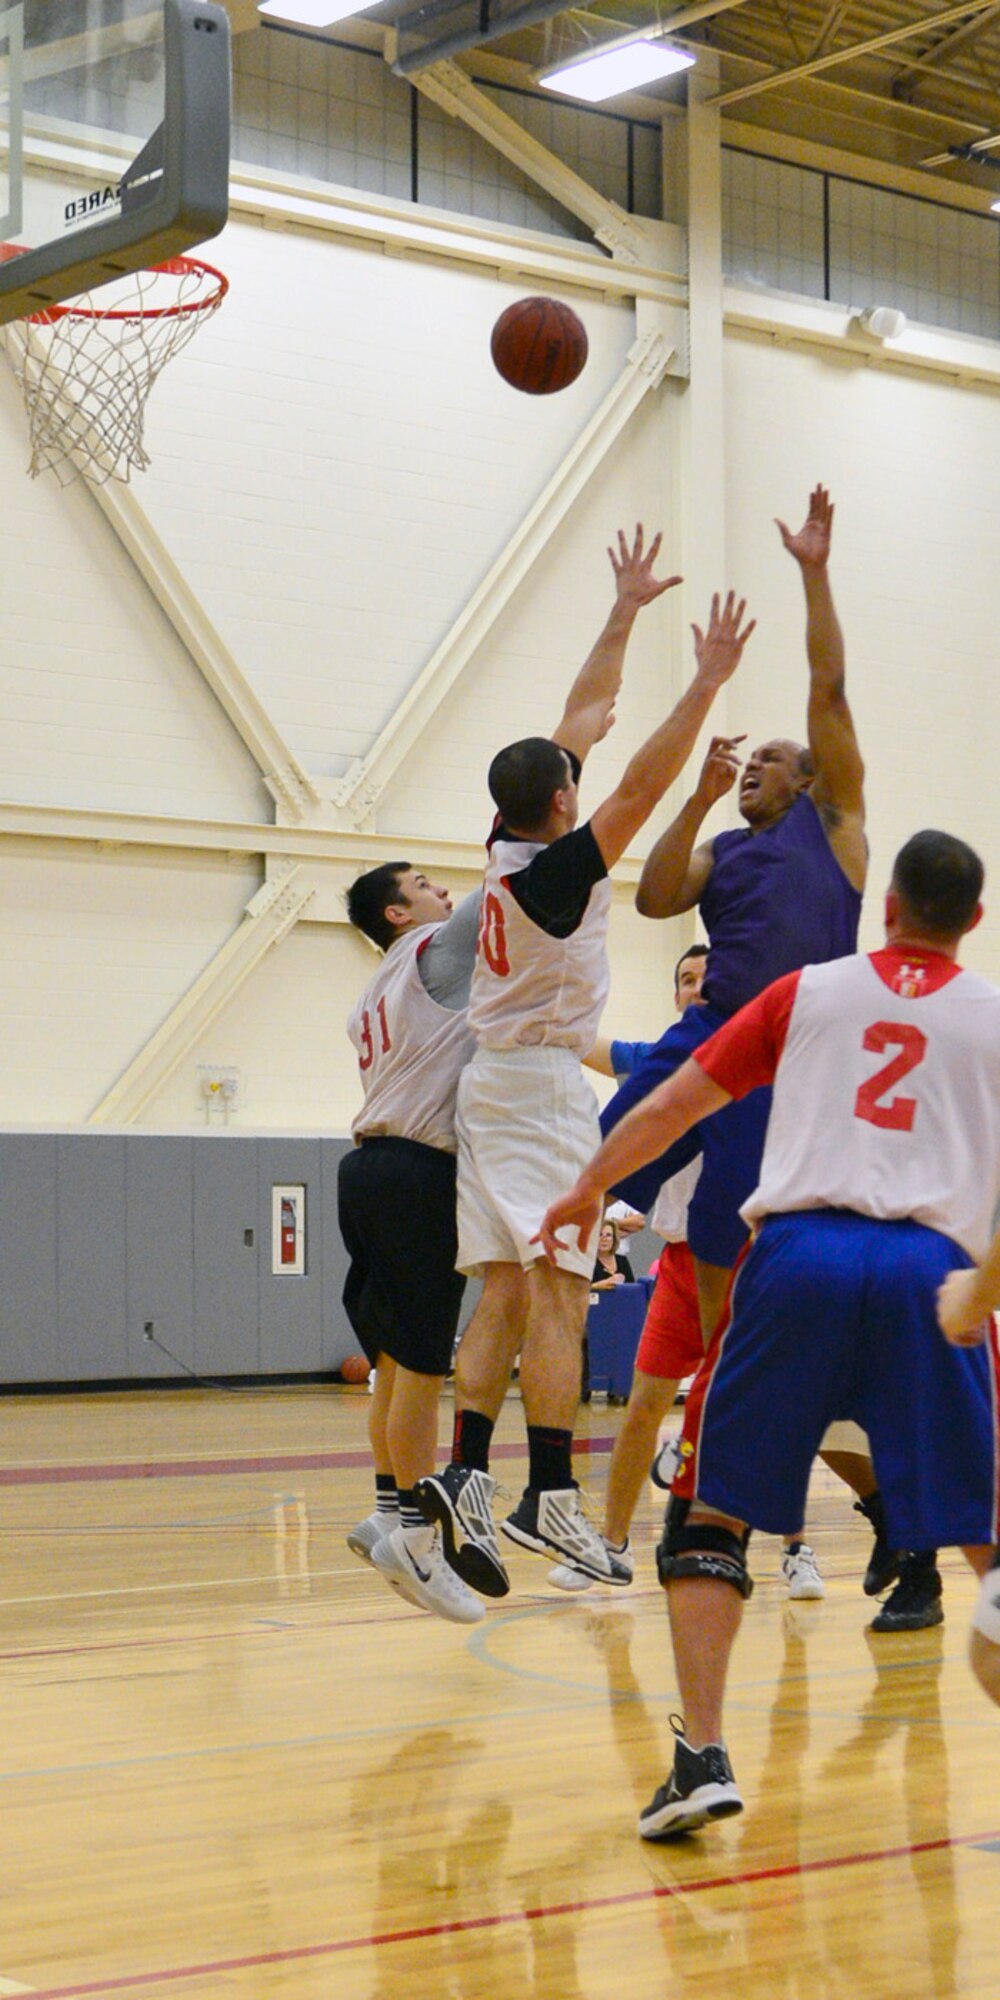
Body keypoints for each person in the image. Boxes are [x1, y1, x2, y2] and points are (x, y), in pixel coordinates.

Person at [539, 829, 1000, 1837]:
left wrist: (587, 1189)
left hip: (796, 1259)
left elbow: (669, 1103)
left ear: (885, 907)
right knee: (985, 1522)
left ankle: (700, 1756)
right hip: (935, 1271)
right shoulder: (994, 1016)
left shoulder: (808, 992)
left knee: (711, 1509)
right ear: (972, 919)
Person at [416, 529, 756, 1595]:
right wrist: (701, 681)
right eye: (573, 780)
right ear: (563, 801)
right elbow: (642, 781)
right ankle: (550, 1494)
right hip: (538, 1085)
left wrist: (621, 612)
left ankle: (468, 1468)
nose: (579, 774)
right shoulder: (558, 870)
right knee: (561, 1289)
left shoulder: (509, 843)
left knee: (507, 1291)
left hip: (492, 1079)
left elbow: (578, 722)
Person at [599, 486, 866, 1346]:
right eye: (748, 760)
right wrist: (697, 797)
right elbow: (652, 898)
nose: (754, 765)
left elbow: (829, 688)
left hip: (786, 1048)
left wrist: (814, 576)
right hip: (707, 1034)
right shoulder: (723, 845)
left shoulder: (835, 827)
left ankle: (726, 1379)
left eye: (771, 760)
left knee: (728, 1228)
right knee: (595, 1172)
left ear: (811, 778)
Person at [551, 942, 824, 1603]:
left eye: (706, 977)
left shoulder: (768, 1062)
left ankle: (796, 1549)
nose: (696, 987)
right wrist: (541, 1016)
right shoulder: (660, 1060)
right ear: (676, 993)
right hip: (682, 1262)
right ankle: (610, 1549)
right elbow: (588, 1044)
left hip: (757, 1257)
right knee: (644, 1405)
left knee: (775, 1404)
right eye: (685, 979)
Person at [338, 861, 485, 1625]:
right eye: (425, 884)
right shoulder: (437, 950)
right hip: (419, 1171)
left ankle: (387, 1514)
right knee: (427, 1364)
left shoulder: (374, 988)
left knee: (394, 1363)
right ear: (399, 914)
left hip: (364, 1167)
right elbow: (517, 883)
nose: (443, 892)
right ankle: (419, 1539)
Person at [591, 1218, 635, 1289]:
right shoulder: (589, 1262)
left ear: (614, 1239)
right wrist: (607, 1282)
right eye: (600, 1234)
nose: (604, 1238)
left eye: (608, 1235)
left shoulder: (622, 1260)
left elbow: (632, 1287)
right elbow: (582, 1290)